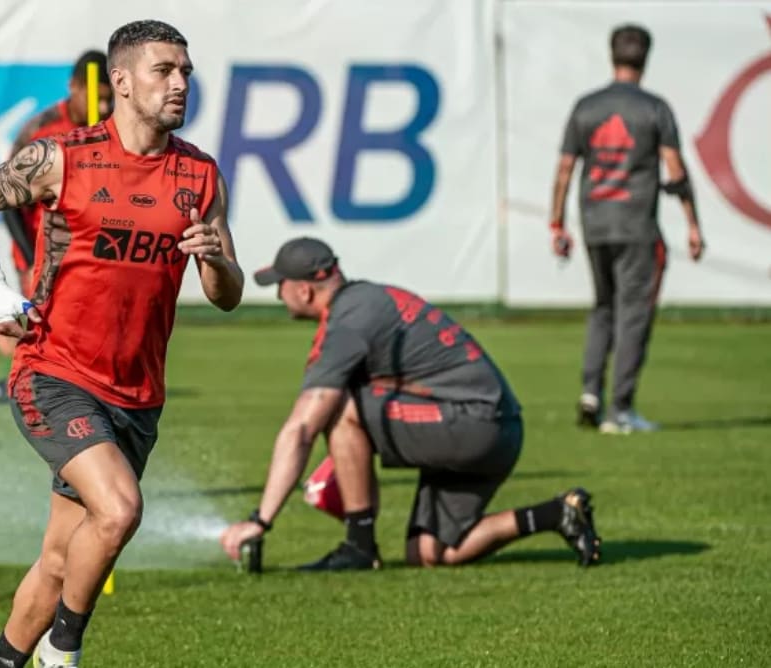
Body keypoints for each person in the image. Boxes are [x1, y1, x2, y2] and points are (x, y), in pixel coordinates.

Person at [0, 20, 242, 668]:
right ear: (120, 80)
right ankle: (64, 650)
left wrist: (216, 262)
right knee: (119, 511)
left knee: (61, 559)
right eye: (163, 70)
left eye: (186, 73)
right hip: (55, 370)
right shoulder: (64, 156)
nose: (179, 84)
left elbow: (227, 292)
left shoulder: (199, 174)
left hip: (138, 394)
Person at [218, 238, 600, 572]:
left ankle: (359, 547)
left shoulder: (348, 322)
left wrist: (260, 521)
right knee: (430, 552)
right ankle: (557, 513)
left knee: (339, 406)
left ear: (304, 290)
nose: (277, 292)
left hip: (470, 423)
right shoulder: (367, 298)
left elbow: (302, 428)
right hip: (497, 427)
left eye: (280, 284)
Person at [0, 49, 114, 452]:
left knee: (69, 358)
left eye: (111, 98)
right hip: (43, 258)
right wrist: (28, 266)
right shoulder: (42, 131)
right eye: (99, 96)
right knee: (52, 358)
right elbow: (6, 205)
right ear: (74, 88)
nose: (105, 106)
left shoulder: (112, 130)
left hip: (92, 258)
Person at [548, 24, 704, 434]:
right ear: (645, 58)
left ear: (611, 55)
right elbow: (676, 170)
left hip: (595, 222)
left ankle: (590, 392)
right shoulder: (654, 108)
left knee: (602, 308)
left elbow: (565, 169)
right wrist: (692, 223)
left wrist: (557, 223)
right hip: (637, 225)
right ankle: (621, 410)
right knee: (633, 315)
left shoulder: (586, 107)